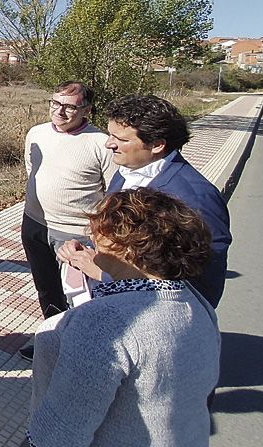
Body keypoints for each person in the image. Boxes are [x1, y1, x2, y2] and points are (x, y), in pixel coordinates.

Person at [0, 188, 220, 447]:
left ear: (128, 248)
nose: (92, 231)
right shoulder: (195, 303)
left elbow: (67, 424)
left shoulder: (106, 321)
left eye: (102, 228)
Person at [58, 94, 232, 307]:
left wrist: (105, 274)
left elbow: (201, 288)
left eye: (121, 139)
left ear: (157, 145)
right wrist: (84, 250)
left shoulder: (197, 199)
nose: (108, 144)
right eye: (110, 134)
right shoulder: (127, 170)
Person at [20, 81, 115, 360]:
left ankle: (81, 349)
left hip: (76, 235)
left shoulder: (101, 143)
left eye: (69, 107)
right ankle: (51, 338)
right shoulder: (36, 133)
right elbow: (32, 170)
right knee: (46, 287)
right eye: (55, 103)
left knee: (79, 295)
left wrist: (100, 238)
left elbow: (113, 193)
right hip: (35, 224)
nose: (59, 112)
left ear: (86, 110)